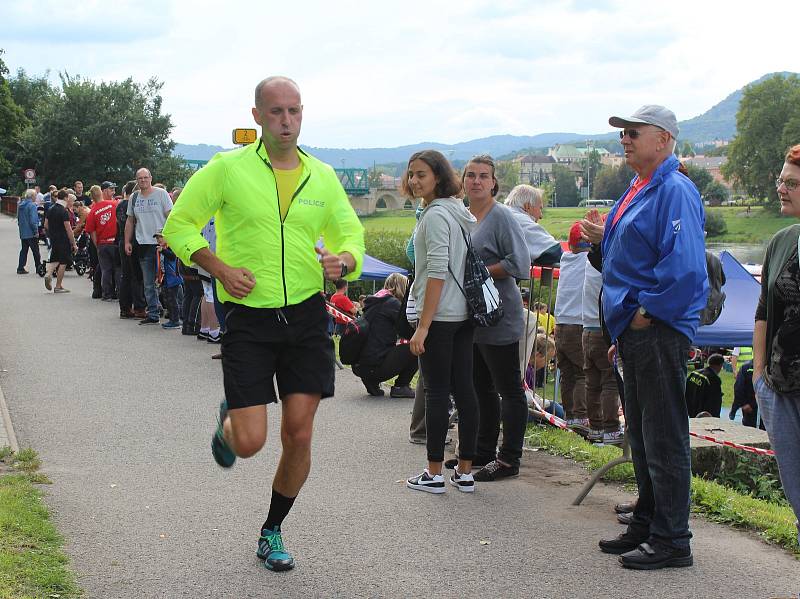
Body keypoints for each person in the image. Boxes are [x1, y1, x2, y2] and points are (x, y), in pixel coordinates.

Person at [162, 75, 365, 572]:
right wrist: (220, 269)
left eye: (294, 111)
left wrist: (344, 259)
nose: (287, 121)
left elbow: (351, 238)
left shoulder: (321, 177)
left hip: (306, 318)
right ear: (257, 116)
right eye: (276, 112)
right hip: (249, 320)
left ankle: (272, 530)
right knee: (250, 442)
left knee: (298, 433)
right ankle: (230, 422)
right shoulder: (226, 169)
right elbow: (179, 225)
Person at [598, 105, 707, 569]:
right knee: (642, 435)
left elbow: (683, 269)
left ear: (662, 139)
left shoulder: (674, 190)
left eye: (633, 132)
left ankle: (672, 538)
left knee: (663, 438)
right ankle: (647, 520)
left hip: (656, 330)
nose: (624, 139)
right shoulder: (641, 186)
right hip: (634, 330)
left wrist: (645, 312)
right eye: (623, 133)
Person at [402, 149, 478, 495]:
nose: (414, 181)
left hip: (441, 314)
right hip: (463, 313)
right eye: (411, 174)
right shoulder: (457, 210)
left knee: (435, 393)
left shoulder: (434, 215)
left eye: (421, 174)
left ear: (438, 177)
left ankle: (433, 473)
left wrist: (423, 325)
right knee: (465, 390)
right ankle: (465, 472)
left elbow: (435, 271)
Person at [453, 155, 531, 482]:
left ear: (493, 182)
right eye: (471, 175)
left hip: (499, 313)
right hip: (472, 317)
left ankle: (509, 458)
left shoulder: (502, 218)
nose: (476, 181)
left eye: (483, 176)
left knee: (508, 388)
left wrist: (480, 271)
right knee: (479, 386)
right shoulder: (462, 214)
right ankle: (481, 451)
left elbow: (520, 264)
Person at [753, 143, 800, 544]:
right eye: (781, 180)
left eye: (793, 183)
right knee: (797, 497)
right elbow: (764, 312)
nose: (782, 189)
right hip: (780, 388)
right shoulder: (782, 241)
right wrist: (758, 375)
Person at [352, 273, 418, 398]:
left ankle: (371, 381)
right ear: (401, 287)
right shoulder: (392, 304)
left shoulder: (373, 303)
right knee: (416, 346)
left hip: (360, 366)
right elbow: (409, 331)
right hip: (375, 366)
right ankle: (401, 386)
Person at [125, 168, 173, 325]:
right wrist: (127, 241)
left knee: (168, 281)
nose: (143, 180)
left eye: (146, 177)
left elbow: (170, 216)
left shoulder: (161, 194)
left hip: (161, 244)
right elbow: (130, 221)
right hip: (143, 243)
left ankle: (173, 313)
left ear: (151, 178)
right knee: (148, 283)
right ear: (137, 180)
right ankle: (153, 313)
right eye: (140, 178)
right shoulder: (134, 197)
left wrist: (168, 238)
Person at [554, 222, 589, 432]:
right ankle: (581, 417)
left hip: (561, 324)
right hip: (578, 324)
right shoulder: (588, 261)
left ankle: (569, 416)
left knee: (567, 373)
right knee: (582, 373)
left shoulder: (566, 259)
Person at [504, 184, 563, 265]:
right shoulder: (520, 220)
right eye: (540, 208)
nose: (541, 216)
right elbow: (553, 252)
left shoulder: (503, 213)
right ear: (527, 206)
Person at [85, 183, 120, 301]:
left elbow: (92, 232)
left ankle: (107, 294)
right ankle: (119, 293)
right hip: (114, 241)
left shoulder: (92, 212)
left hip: (102, 243)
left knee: (106, 270)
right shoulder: (113, 204)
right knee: (117, 269)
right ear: (101, 193)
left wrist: (97, 245)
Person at [116, 181, 146, 319]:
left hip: (123, 240)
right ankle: (139, 307)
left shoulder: (119, 205)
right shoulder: (131, 204)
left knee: (126, 275)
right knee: (136, 276)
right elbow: (132, 223)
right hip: (132, 240)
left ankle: (125, 308)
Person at [43, 189, 78, 293]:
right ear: (66, 198)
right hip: (63, 239)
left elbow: (45, 225)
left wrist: (52, 233)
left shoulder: (51, 209)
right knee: (63, 262)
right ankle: (58, 286)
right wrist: (74, 243)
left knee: (55, 259)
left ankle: (48, 273)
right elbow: (68, 229)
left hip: (54, 238)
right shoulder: (64, 211)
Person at [154, 231, 183, 329]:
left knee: (173, 300)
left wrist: (163, 250)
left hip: (173, 278)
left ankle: (176, 320)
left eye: (160, 237)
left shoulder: (171, 246)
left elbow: (172, 256)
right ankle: (172, 319)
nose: (158, 240)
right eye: (157, 238)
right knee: (167, 299)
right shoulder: (160, 249)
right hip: (165, 279)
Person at [16, 189, 42, 275]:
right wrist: (36, 231)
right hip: (31, 232)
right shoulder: (32, 205)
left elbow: (18, 218)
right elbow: (33, 220)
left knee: (24, 250)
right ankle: (39, 268)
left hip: (23, 231)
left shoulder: (20, 205)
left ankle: (20, 267)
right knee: (36, 251)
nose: (36, 197)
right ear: (32, 196)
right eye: (35, 196)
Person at [729, 360, 761, 428]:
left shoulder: (746, 366)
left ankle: (733, 411)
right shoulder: (746, 367)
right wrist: (744, 404)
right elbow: (739, 387)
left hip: (755, 406)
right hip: (751, 407)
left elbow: (738, 387)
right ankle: (733, 411)